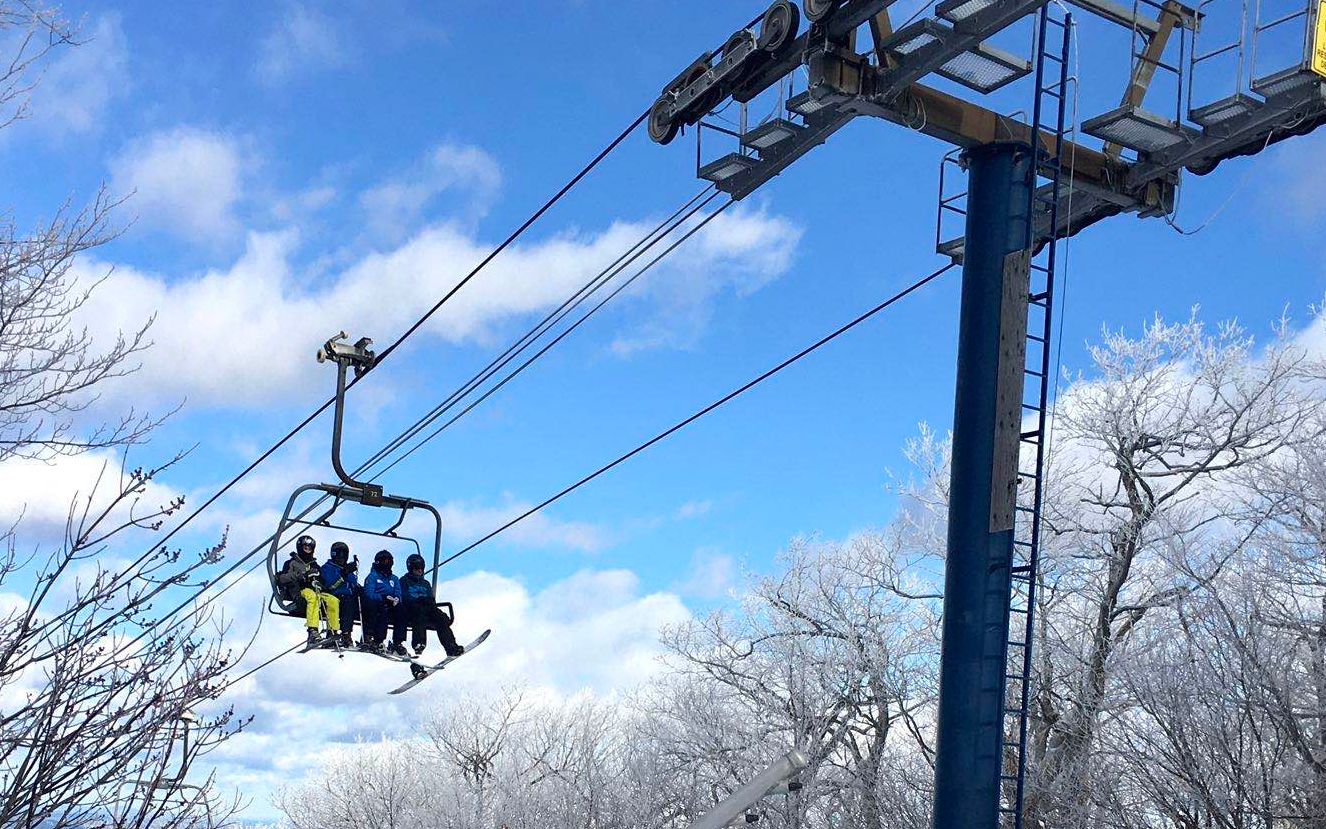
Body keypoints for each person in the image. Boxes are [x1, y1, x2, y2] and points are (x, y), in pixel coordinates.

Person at [276, 535, 341, 646]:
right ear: (300, 547)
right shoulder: (291, 563)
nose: (307, 550)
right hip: (300, 591)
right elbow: (282, 578)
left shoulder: (314, 565)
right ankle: (313, 631)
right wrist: (302, 576)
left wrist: (318, 582)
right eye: (305, 547)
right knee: (313, 597)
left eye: (310, 548)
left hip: (315, 590)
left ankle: (332, 631)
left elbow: (322, 581)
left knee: (333, 600)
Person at [400, 553, 464, 658]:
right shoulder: (404, 581)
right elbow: (404, 596)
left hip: (427, 607)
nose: (420, 570)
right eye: (417, 568)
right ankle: (419, 643)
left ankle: (451, 647)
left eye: (421, 568)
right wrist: (417, 601)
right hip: (412, 608)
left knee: (441, 618)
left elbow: (430, 598)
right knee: (419, 614)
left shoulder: (425, 584)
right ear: (411, 568)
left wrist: (428, 601)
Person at [361, 550, 406, 655]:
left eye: (389, 562)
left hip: (391, 603)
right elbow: (368, 593)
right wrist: (382, 598)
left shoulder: (394, 579)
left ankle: (397, 642)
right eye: (384, 562)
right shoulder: (372, 577)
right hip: (377, 603)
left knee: (401, 611)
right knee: (381, 610)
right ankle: (376, 639)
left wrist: (395, 600)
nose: (387, 564)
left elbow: (398, 593)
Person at [320, 541, 360, 648]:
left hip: (348, 598)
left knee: (358, 602)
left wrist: (359, 589)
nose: (341, 558)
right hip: (333, 595)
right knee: (346, 601)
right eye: (339, 554)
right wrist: (343, 575)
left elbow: (353, 584)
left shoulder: (348, 570)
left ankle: (367, 637)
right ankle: (340, 633)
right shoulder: (327, 568)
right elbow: (330, 585)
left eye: (343, 555)